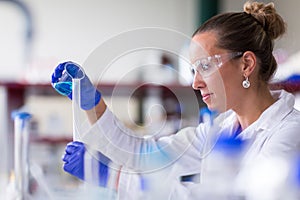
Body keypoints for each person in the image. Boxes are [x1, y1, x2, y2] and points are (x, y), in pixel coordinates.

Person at [51, 1, 300, 199]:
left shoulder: (289, 133)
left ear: (246, 64)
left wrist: (115, 179)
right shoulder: (220, 130)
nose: (196, 83)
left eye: (205, 66)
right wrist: (90, 102)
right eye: (194, 70)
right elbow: (145, 153)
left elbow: (236, 196)